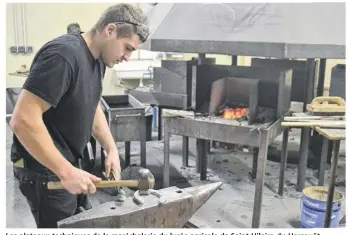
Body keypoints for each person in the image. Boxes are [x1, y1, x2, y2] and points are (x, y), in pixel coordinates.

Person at [9, 4, 149, 228]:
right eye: (128, 48)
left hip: (72, 165)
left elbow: (91, 106)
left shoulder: (98, 60)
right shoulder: (63, 56)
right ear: (110, 30)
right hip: (47, 172)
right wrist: (65, 172)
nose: (127, 57)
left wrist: (110, 148)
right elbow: (23, 120)